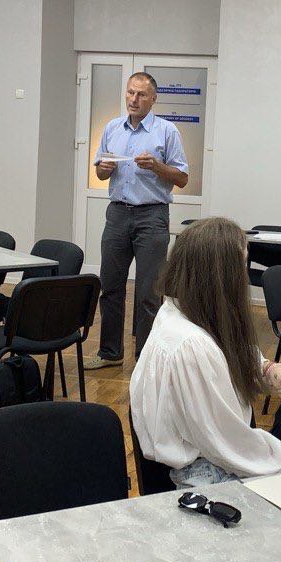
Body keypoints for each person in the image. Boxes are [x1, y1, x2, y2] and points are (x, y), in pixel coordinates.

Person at [130, 217, 281, 488]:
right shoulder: (192, 347)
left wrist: (268, 368)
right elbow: (232, 448)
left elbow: (225, 345)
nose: (244, 277)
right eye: (242, 266)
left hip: (211, 462)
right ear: (222, 276)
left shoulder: (175, 312)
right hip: (205, 477)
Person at [88, 72, 189, 369]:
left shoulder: (167, 131)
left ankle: (146, 359)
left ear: (153, 99)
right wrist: (104, 169)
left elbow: (182, 178)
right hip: (117, 214)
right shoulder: (112, 128)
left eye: (141, 94)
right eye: (130, 92)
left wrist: (157, 166)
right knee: (110, 287)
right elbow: (100, 173)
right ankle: (110, 353)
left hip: (152, 216)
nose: (134, 99)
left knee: (149, 292)